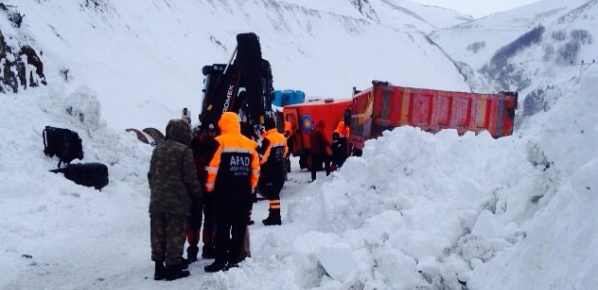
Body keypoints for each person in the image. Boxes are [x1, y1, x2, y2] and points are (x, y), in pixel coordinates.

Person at [204, 112, 260, 273]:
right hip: (243, 196)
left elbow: (212, 169)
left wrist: (209, 190)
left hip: (223, 195)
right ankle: (234, 260)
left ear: (223, 124)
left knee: (222, 228)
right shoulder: (250, 145)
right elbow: (255, 171)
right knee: (239, 228)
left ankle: (220, 260)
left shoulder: (218, 143)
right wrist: (250, 190)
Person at [148, 119, 202, 281]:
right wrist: (198, 195)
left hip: (157, 200)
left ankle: (159, 268)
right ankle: (173, 268)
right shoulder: (184, 151)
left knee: (158, 233)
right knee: (175, 234)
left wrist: (156, 190)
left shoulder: (158, 149)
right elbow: (190, 178)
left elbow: (151, 174)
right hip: (177, 201)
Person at [186, 123, 219, 262]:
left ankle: (208, 247)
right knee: (195, 220)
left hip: (211, 190)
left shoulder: (216, 146)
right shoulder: (192, 147)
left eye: (212, 132)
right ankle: (192, 249)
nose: (210, 135)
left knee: (210, 220)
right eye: (208, 131)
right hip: (196, 190)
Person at [257, 118, 288, 226]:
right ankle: (273, 216)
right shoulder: (281, 137)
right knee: (273, 194)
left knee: (273, 195)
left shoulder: (268, 140)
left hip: (270, 171)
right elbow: (285, 153)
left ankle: (275, 218)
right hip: (280, 170)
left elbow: (262, 157)